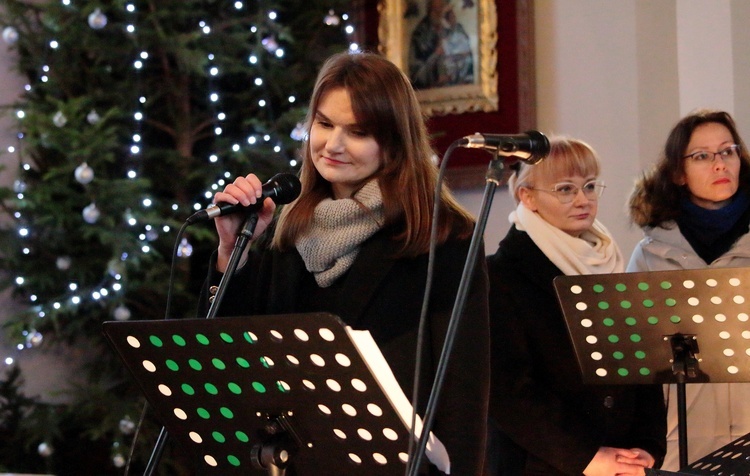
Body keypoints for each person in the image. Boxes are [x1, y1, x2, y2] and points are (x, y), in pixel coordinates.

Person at [198, 51, 490, 475]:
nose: (333, 145)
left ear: (393, 142)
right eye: (324, 123)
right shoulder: (283, 228)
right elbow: (232, 358)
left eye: (357, 131)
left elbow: (465, 392)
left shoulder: (444, 236)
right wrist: (231, 253)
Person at [486, 136, 667, 475]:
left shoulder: (611, 266)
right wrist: (586, 456)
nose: (583, 199)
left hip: (623, 465)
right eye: (566, 189)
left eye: (589, 186)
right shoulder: (499, 275)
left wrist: (647, 447)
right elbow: (507, 390)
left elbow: (642, 365)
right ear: (528, 197)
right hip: (543, 466)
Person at [627, 108, 750, 469]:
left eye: (728, 151)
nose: (720, 164)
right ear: (679, 173)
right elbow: (638, 362)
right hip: (680, 436)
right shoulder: (650, 255)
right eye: (702, 156)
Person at [409, 0, 473, 89]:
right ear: (429, 10)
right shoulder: (420, 35)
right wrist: (436, 55)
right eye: (436, 10)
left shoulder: (457, 30)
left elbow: (468, 63)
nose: (440, 13)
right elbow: (416, 76)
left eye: (442, 8)